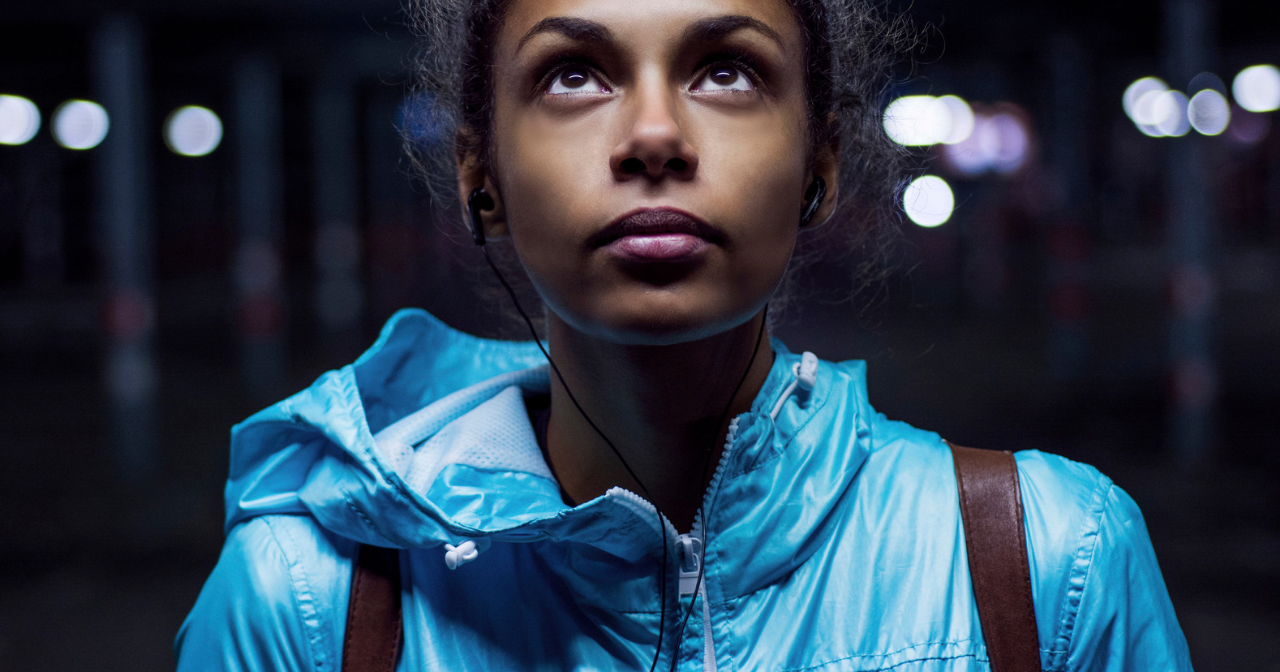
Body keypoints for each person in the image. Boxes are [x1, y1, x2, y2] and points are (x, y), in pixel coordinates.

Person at [175, 0, 1194, 669]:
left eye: (725, 72)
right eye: (573, 75)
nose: (654, 134)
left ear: (818, 166)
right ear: (479, 177)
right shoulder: (307, 603)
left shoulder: (1048, 563)